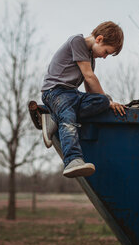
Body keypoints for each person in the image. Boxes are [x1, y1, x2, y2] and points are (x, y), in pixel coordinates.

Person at [41, 21, 126, 178]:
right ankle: (73, 160)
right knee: (68, 116)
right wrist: (109, 102)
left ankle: (53, 117)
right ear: (99, 39)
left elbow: (89, 85)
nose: (105, 57)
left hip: (72, 95)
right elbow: (89, 76)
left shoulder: (90, 59)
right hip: (54, 92)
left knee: (102, 101)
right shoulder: (77, 42)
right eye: (106, 52)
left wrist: (105, 102)